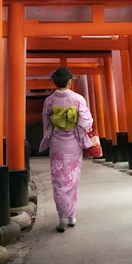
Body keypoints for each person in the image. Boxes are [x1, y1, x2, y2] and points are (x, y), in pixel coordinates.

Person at [39, 68, 93, 232]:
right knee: (72, 179)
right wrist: (76, 132)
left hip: (57, 144)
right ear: (70, 81)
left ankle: (62, 217)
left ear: (55, 82)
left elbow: (46, 123)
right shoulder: (77, 99)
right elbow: (86, 121)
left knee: (59, 181)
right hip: (73, 144)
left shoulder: (49, 101)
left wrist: (51, 133)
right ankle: (71, 216)